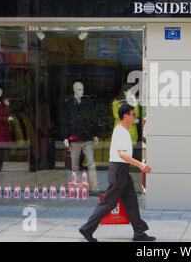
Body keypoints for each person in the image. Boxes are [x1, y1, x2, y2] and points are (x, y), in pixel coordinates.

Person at [79, 104, 155, 242]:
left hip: (122, 172)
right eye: (132, 114)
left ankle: (139, 232)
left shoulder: (124, 131)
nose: (134, 117)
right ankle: (87, 228)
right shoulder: (120, 131)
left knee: (131, 201)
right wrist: (140, 164)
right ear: (125, 116)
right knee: (108, 203)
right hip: (118, 171)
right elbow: (122, 155)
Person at [62, 81, 99, 192]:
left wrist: (95, 133)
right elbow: (65, 120)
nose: (81, 91)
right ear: (74, 90)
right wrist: (65, 136)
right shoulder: (68, 103)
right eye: (79, 89)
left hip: (87, 137)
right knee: (75, 164)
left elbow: (93, 118)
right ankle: (77, 186)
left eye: (82, 89)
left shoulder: (88, 102)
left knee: (91, 163)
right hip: (75, 138)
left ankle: (95, 188)